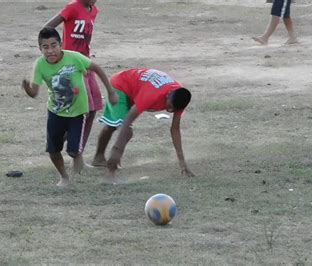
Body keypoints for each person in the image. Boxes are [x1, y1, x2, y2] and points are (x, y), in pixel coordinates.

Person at [22, 27, 117, 187]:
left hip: (77, 113)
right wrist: (27, 88)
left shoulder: (74, 58)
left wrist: (110, 91)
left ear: (60, 45)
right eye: (45, 47)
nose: (50, 51)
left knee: (73, 151)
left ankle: (75, 154)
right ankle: (64, 177)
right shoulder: (40, 64)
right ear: (40, 49)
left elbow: (97, 69)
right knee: (53, 150)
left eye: (54, 45)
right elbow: (34, 92)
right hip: (55, 112)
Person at [91, 68, 195, 184]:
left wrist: (182, 163)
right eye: (169, 105)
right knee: (126, 131)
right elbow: (128, 121)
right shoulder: (152, 94)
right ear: (168, 95)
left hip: (135, 88)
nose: (169, 110)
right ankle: (110, 173)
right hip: (120, 85)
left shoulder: (181, 98)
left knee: (112, 126)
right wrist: (116, 152)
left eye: (173, 109)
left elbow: (175, 129)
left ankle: (98, 158)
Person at [44, 0, 102, 153]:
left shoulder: (93, 10)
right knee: (83, 110)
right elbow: (47, 27)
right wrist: (56, 52)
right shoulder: (72, 7)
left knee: (93, 107)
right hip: (71, 67)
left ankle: (75, 149)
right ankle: (61, 146)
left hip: (85, 64)